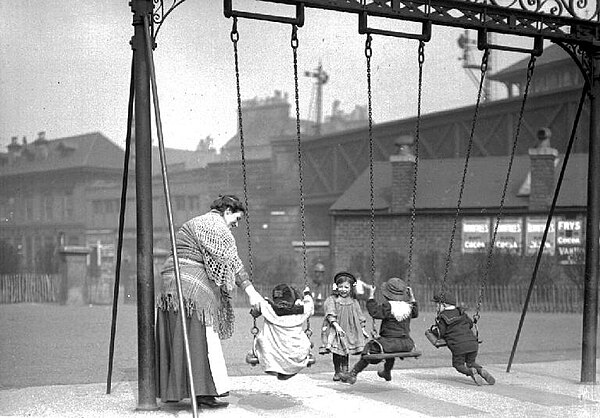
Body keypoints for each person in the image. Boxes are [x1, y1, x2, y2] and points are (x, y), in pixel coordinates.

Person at [155, 195, 262, 408]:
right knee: (202, 337)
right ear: (227, 211)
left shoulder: (196, 221)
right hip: (190, 286)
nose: (236, 225)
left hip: (172, 283)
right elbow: (231, 261)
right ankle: (203, 392)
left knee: (183, 337)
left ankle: (184, 389)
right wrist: (250, 291)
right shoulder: (215, 225)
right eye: (236, 219)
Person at [339, 277, 418, 384]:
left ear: (387, 294)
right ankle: (387, 371)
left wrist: (371, 296)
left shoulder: (388, 306)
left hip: (388, 344)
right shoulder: (408, 307)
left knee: (368, 350)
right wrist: (412, 297)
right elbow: (415, 313)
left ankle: (353, 374)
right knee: (390, 352)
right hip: (406, 344)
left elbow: (375, 312)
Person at [249, 283, 315, 380]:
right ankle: (287, 370)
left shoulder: (266, 306)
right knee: (305, 342)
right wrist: (307, 293)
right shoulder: (303, 309)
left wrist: (255, 310)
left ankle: (272, 364)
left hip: (271, 358)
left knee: (261, 339)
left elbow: (255, 312)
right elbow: (310, 305)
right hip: (296, 356)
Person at [429, 293, 495, 385]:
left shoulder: (443, 317)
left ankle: (471, 372)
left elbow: (441, 333)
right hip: (473, 344)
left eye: (436, 305)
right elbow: (471, 324)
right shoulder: (461, 313)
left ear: (443, 305)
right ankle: (481, 370)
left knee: (458, 365)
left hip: (458, 346)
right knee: (471, 362)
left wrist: (433, 330)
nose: (435, 307)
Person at [319, 272, 368, 381]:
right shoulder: (333, 299)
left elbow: (359, 315)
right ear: (337, 287)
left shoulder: (354, 301)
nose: (343, 289)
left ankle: (345, 371)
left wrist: (362, 329)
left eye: (346, 287)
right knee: (337, 351)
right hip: (336, 328)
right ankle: (337, 371)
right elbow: (330, 313)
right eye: (340, 287)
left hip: (349, 329)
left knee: (346, 350)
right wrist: (337, 326)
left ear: (351, 288)